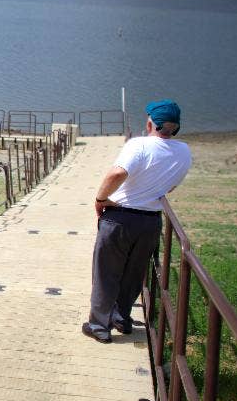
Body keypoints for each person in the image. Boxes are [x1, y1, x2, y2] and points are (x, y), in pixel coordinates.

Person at [82, 99, 192, 344]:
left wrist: (101, 198)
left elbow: (118, 173)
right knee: (133, 274)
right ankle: (121, 318)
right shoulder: (184, 151)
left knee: (106, 273)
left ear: (150, 122)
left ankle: (99, 325)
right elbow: (171, 186)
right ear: (175, 128)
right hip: (150, 222)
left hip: (120, 217)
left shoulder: (139, 144)